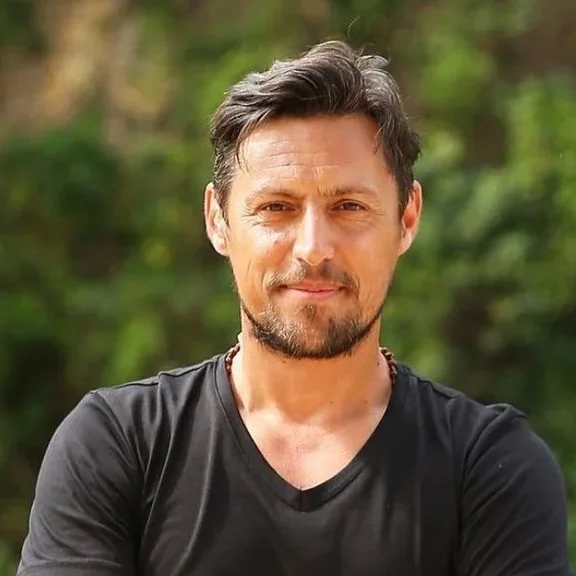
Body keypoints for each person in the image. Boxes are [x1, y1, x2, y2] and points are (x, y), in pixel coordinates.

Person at [18, 40, 571, 576]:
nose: (313, 248)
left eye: (349, 206)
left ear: (406, 219)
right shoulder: (120, 446)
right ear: (218, 220)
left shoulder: (486, 467)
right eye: (276, 207)